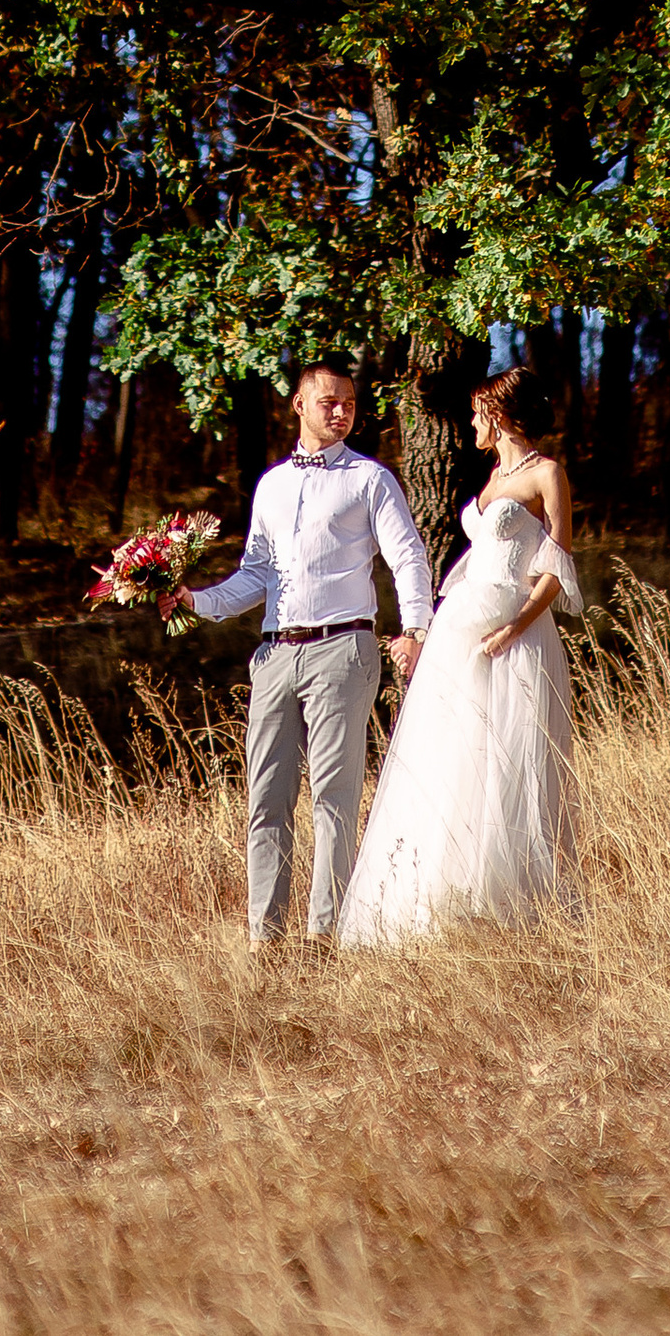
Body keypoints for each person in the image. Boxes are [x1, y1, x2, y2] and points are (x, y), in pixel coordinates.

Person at [185, 359, 434, 946]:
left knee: (333, 797)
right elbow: (254, 576)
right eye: (329, 402)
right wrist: (192, 601)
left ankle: (327, 939)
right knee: (266, 799)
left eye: (349, 402)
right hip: (273, 657)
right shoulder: (271, 484)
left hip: (342, 650)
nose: (342, 411)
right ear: (299, 404)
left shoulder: (370, 480)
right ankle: (264, 941)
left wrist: (416, 630)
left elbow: (408, 558)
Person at [336, 362, 584, 947]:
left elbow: (558, 567)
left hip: (512, 634)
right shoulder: (494, 475)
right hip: (463, 626)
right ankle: (442, 899)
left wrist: (517, 626)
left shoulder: (547, 473)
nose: (471, 422)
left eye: (477, 413)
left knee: (507, 756)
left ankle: (509, 900)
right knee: (452, 754)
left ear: (497, 416)